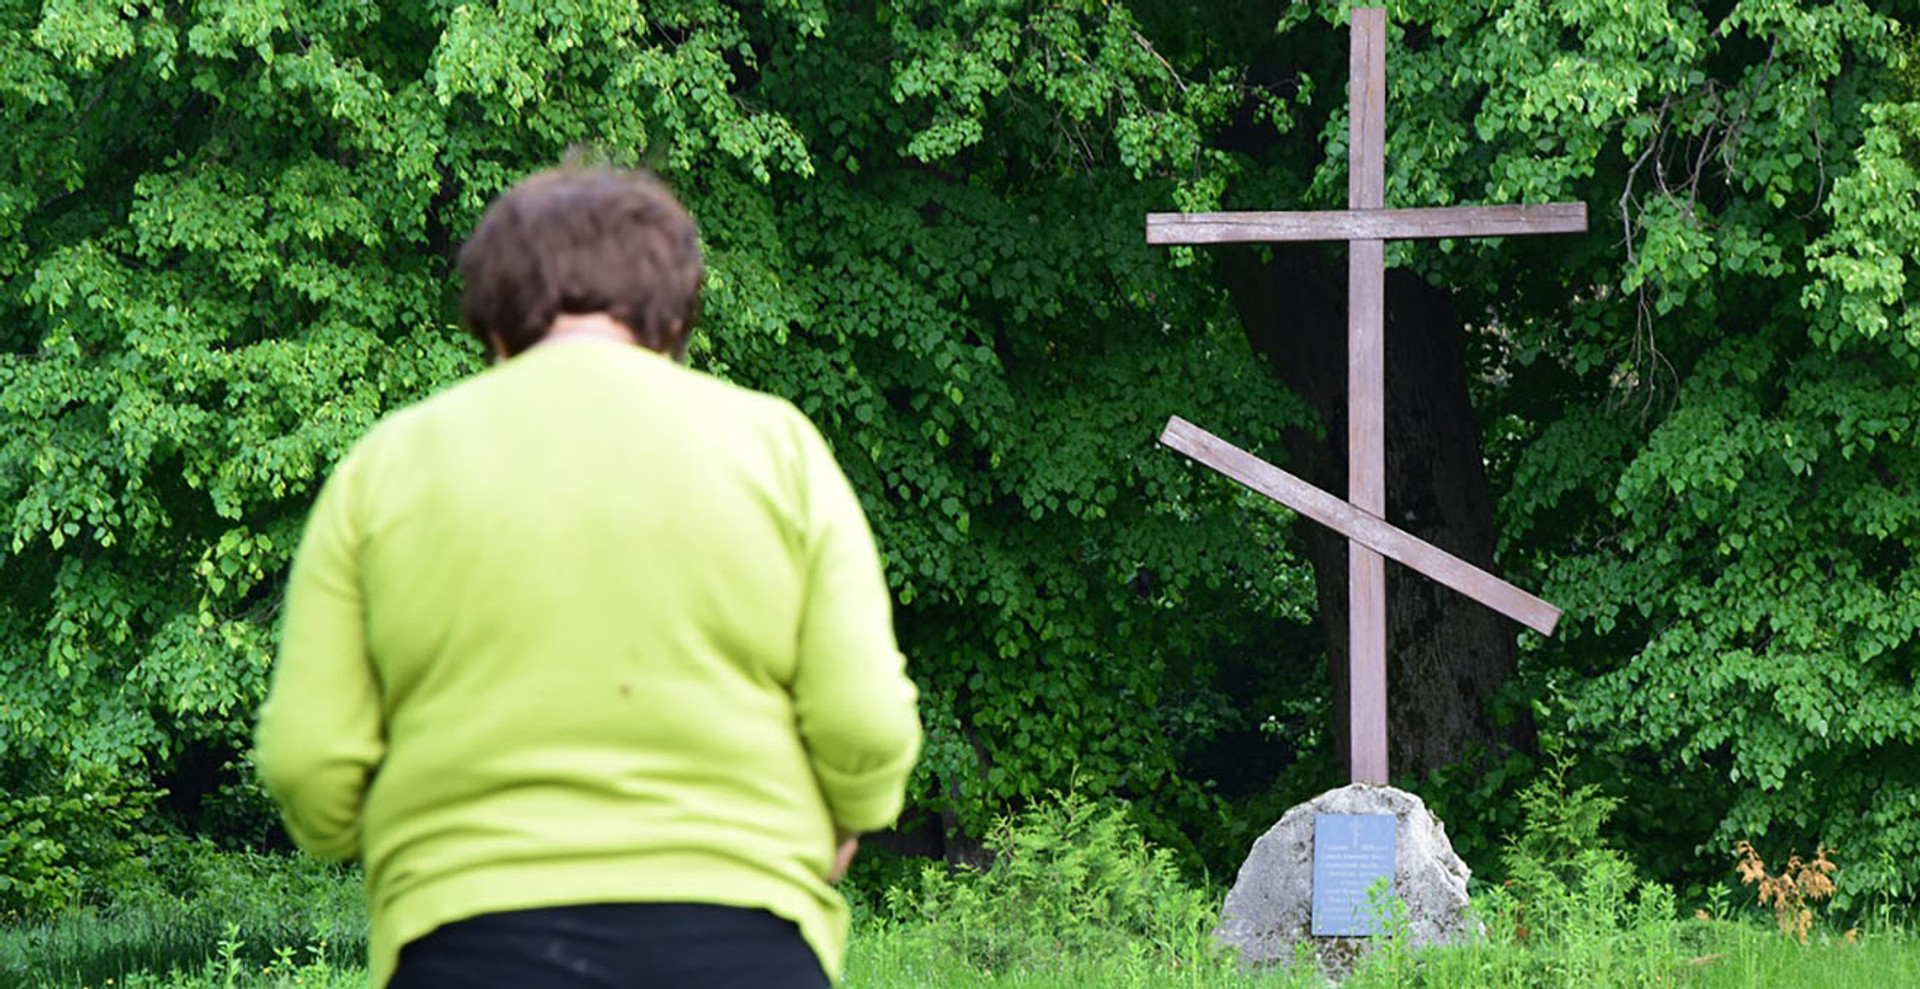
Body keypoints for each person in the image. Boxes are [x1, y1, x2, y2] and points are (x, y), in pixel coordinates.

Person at [254, 165, 922, 988]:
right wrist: (851, 813)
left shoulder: (386, 466)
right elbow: (865, 721)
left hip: (467, 946)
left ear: (492, 321)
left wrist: (402, 843)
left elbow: (306, 756)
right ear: (674, 314)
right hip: (742, 939)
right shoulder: (777, 448)